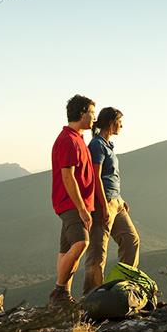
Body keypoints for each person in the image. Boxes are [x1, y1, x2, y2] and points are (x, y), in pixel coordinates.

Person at [82, 107, 141, 295]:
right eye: (120, 121)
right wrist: (103, 205)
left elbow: (111, 177)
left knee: (131, 240)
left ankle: (121, 289)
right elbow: (96, 177)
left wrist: (120, 199)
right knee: (98, 252)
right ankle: (92, 297)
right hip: (103, 202)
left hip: (116, 202)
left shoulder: (108, 145)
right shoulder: (97, 145)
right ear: (111, 122)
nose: (122, 125)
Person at [49, 94, 96, 307]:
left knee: (65, 250)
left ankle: (63, 297)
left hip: (72, 203)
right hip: (71, 204)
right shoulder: (68, 140)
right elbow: (67, 176)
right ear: (81, 113)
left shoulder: (76, 138)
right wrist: (82, 209)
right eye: (92, 113)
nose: (94, 118)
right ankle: (59, 292)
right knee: (81, 243)